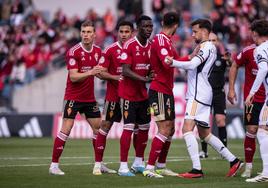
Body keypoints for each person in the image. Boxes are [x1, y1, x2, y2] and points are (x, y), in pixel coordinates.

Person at [165, 18, 243, 178]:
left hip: (198, 94)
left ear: (204, 31)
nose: (193, 35)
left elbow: (193, 65)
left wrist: (172, 62)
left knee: (186, 129)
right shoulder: (210, 48)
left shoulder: (206, 47)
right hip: (204, 93)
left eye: (195, 31)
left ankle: (196, 169)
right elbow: (193, 62)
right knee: (205, 134)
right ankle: (234, 160)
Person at [49, 20, 107, 175]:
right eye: (83, 32)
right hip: (73, 97)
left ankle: (99, 164)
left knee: (98, 128)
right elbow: (74, 77)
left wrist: (110, 76)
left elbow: (100, 73)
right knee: (66, 129)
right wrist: (91, 72)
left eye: (89, 32)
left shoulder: (98, 51)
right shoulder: (73, 51)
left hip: (89, 98)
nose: (85, 35)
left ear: (94, 34)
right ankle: (54, 166)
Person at [92, 20, 134, 175]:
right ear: (118, 33)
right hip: (113, 96)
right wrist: (115, 77)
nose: (124, 35)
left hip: (132, 97)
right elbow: (99, 71)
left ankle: (137, 163)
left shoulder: (136, 48)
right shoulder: (110, 50)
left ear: (132, 33)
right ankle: (98, 164)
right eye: (121, 32)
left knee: (135, 128)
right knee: (105, 127)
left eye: (127, 32)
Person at [142, 12, 180, 178]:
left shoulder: (168, 41)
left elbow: (179, 60)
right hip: (158, 90)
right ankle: (149, 168)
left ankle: (161, 165)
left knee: (170, 129)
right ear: (176, 25)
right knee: (164, 128)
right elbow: (167, 62)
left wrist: (193, 57)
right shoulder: (160, 39)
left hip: (166, 90)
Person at [118, 15, 154, 177]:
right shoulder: (129, 45)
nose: (148, 29)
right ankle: (123, 166)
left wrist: (151, 73)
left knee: (145, 128)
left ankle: (139, 162)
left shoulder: (151, 46)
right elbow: (125, 70)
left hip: (143, 95)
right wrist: (144, 79)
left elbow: (151, 67)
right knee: (129, 127)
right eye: (145, 26)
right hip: (128, 94)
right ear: (138, 28)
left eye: (150, 26)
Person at [228, 35, 265, 178]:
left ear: (256, 34)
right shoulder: (248, 51)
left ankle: (265, 168)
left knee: (264, 132)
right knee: (252, 129)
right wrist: (231, 89)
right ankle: (249, 167)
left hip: (266, 99)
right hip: (252, 99)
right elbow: (235, 64)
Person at [199, 33, 230, 158]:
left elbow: (232, 65)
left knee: (220, 121)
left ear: (218, 42)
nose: (212, 42)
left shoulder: (221, 57)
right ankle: (204, 151)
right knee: (203, 122)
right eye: (210, 40)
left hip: (218, 93)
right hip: (205, 93)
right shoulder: (202, 57)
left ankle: (224, 152)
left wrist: (230, 60)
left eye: (214, 40)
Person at [245, 19, 268, 183]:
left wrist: (252, 92)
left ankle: (266, 173)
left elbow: (264, 68)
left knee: (261, 129)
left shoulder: (260, 49)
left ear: (254, 34)